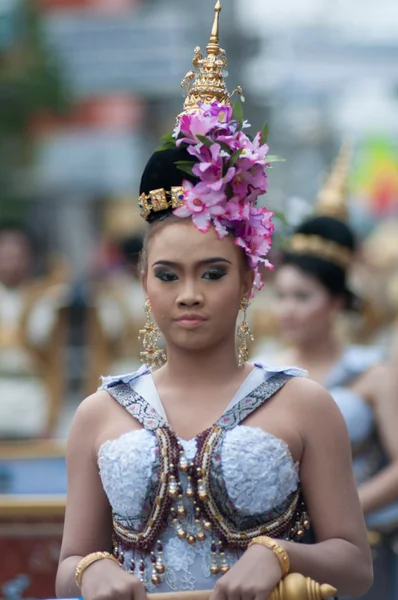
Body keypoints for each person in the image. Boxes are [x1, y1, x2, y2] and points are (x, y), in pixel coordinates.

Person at [56, 3, 372, 599]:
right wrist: (89, 569)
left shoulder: (304, 403)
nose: (190, 295)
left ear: (251, 280)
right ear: (143, 282)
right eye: (168, 275)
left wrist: (280, 555)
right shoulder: (98, 413)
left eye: (213, 273)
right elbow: (70, 558)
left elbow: (356, 565)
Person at [268, 208, 398, 599]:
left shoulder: (372, 373)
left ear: (337, 302)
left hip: (366, 543)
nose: (288, 309)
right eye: (282, 296)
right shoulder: (265, 371)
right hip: (288, 551)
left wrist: (340, 511)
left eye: (303, 297)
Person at [0, 222, 69, 438]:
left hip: (31, 397)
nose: (11, 263)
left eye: (17, 256)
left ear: (29, 258)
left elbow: (53, 357)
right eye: (5, 256)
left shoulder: (43, 299)